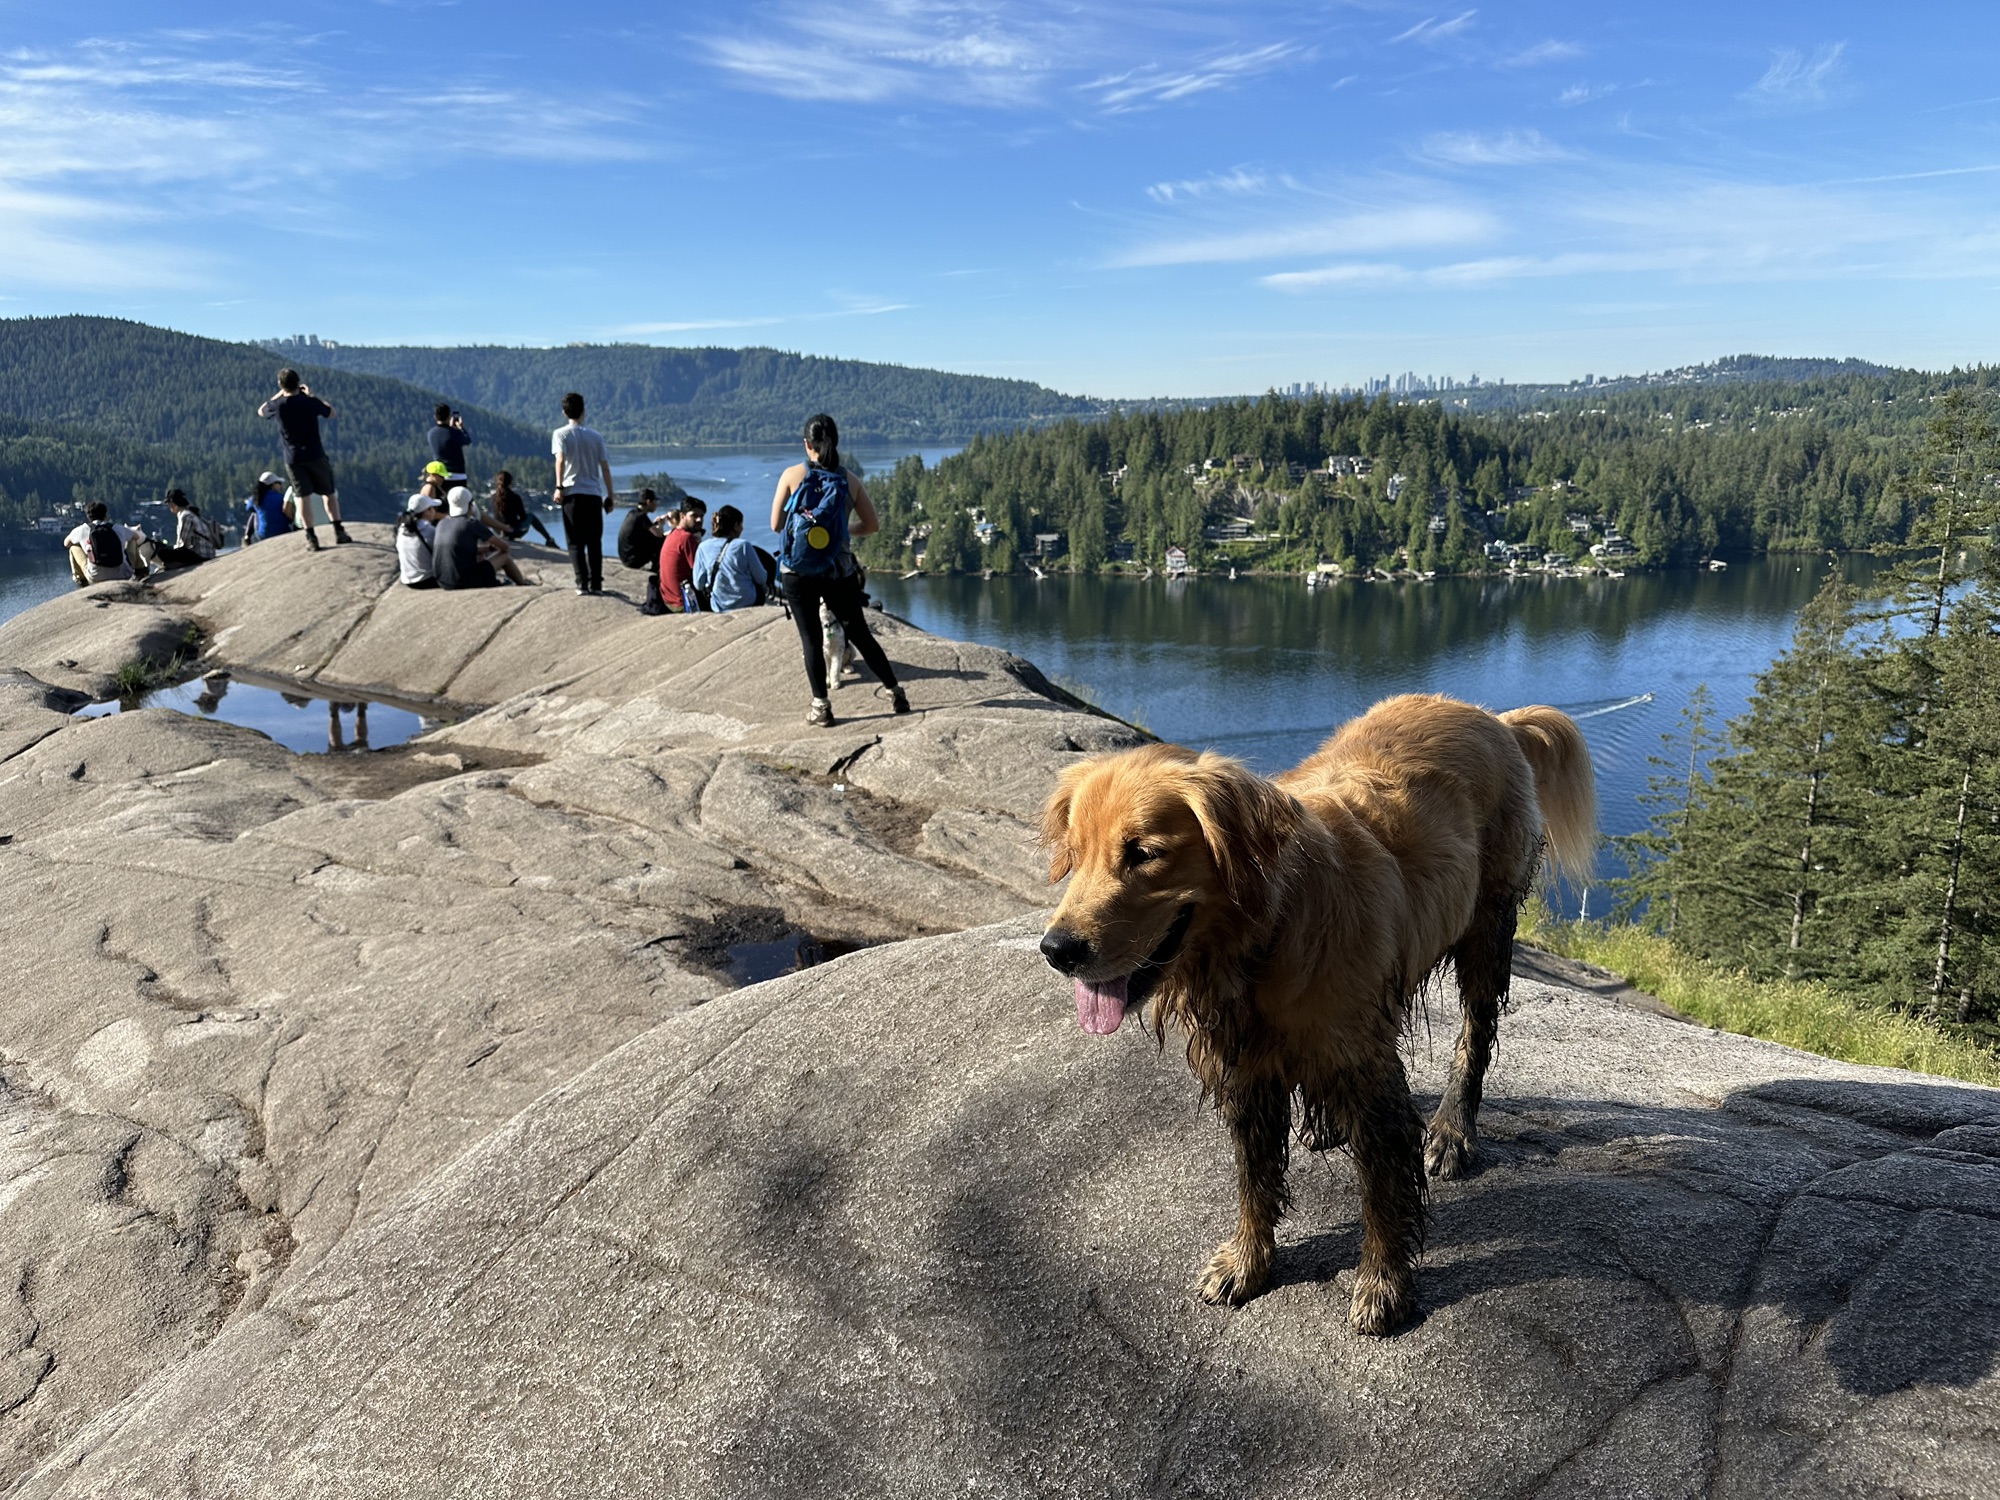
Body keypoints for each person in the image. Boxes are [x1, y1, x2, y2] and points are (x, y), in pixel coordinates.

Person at [771, 413, 909, 726]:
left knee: (810, 639)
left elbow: (775, 524)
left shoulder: (792, 475)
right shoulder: (849, 480)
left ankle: (821, 707)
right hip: (838, 571)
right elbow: (872, 525)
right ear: (837, 441)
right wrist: (843, 533)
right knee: (859, 633)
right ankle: (895, 691)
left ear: (807, 444)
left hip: (798, 572)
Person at [257, 368, 351, 550]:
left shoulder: (279, 405)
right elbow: (331, 412)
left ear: (281, 385)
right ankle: (338, 531)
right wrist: (310, 396)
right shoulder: (309, 402)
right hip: (315, 454)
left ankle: (311, 537)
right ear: (298, 382)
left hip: (293, 458)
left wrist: (281, 393)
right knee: (329, 494)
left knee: (302, 497)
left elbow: (261, 411)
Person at [551, 391, 616, 595]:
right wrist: (611, 495)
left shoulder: (560, 434)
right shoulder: (596, 436)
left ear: (564, 412)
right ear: (584, 411)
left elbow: (560, 460)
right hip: (593, 494)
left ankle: (582, 584)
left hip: (572, 493)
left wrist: (559, 486)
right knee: (594, 541)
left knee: (575, 541)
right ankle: (597, 583)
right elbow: (605, 467)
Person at [434, 486, 530, 589]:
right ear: (470, 505)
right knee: (505, 556)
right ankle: (522, 584)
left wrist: (488, 549)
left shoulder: (442, 523)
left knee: (479, 556)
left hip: (443, 581)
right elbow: (505, 547)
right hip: (463, 582)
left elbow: (459, 550)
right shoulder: (471, 523)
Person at [692, 505, 773, 613]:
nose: (742, 528)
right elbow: (761, 578)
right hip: (747, 602)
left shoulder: (703, 547)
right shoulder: (743, 545)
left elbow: (698, 584)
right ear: (735, 526)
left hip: (718, 606)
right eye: (741, 524)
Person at [64, 501, 145, 586]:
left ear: (88, 516)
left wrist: (86, 546)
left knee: (73, 548)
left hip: (95, 576)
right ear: (106, 515)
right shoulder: (117, 528)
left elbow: (66, 543)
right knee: (132, 540)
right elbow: (137, 537)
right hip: (123, 574)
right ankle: (140, 570)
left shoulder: (81, 530)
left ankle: (81, 580)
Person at [140, 489, 221, 572]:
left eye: (169, 503)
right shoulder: (190, 512)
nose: (168, 506)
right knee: (168, 550)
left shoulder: (185, 516)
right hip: (207, 552)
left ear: (174, 503)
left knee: (162, 552)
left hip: (201, 555)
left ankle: (176, 565)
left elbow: (183, 544)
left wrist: (171, 549)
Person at [617, 488, 669, 614]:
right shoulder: (641, 517)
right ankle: (659, 570)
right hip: (632, 560)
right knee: (661, 541)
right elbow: (658, 535)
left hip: (626, 556)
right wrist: (662, 524)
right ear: (648, 501)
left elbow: (649, 532)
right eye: (655, 501)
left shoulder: (633, 513)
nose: (656, 504)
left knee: (658, 540)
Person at [658, 496, 705, 612]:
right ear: (682, 516)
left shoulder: (674, 534)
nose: (699, 520)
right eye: (694, 516)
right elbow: (700, 572)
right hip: (682, 602)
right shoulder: (686, 538)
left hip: (667, 597)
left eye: (701, 516)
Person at [491, 470, 557, 546]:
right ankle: (549, 539)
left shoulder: (493, 497)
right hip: (513, 531)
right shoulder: (515, 497)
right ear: (510, 483)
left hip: (498, 531)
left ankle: (506, 534)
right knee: (531, 516)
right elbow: (523, 516)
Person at [397, 493, 443, 589]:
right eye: (433, 508)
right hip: (426, 580)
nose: (434, 511)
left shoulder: (402, 528)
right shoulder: (428, 529)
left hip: (407, 579)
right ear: (426, 511)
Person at [244, 471, 293, 544]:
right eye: (279, 483)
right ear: (273, 485)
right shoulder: (281, 498)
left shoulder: (256, 499)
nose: (280, 486)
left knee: (254, 513)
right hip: (283, 531)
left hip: (263, 534)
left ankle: (247, 536)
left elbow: (248, 508)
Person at [429, 405, 471, 486]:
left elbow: (445, 439)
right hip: (458, 475)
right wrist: (461, 429)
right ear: (449, 416)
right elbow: (467, 441)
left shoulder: (431, 434)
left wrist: (450, 428)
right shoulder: (455, 433)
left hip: (440, 475)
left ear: (435, 417)